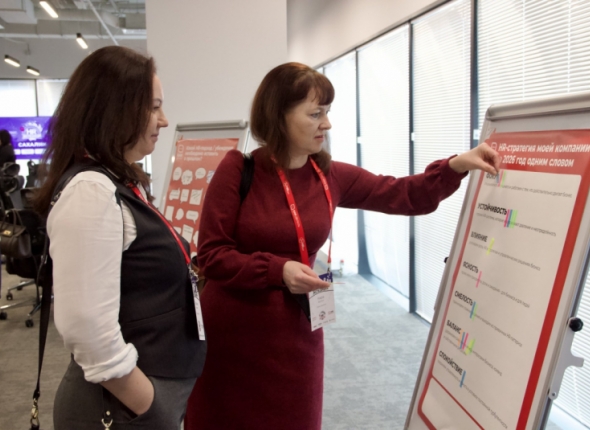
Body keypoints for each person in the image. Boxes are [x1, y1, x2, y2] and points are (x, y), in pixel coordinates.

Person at [183, 62, 500, 430]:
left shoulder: (328, 175)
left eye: (328, 112)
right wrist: (278, 270)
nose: (327, 124)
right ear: (278, 116)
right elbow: (213, 255)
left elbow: (402, 193)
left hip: (296, 334)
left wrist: (456, 165)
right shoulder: (238, 170)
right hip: (234, 335)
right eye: (315, 114)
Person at [34, 46, 207, 429]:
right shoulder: (91, 193)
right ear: (115, 109)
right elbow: (86, 330)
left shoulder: (119, 182)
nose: (164, 120)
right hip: (119, 410)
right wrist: (149, 405)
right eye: (154, 107)